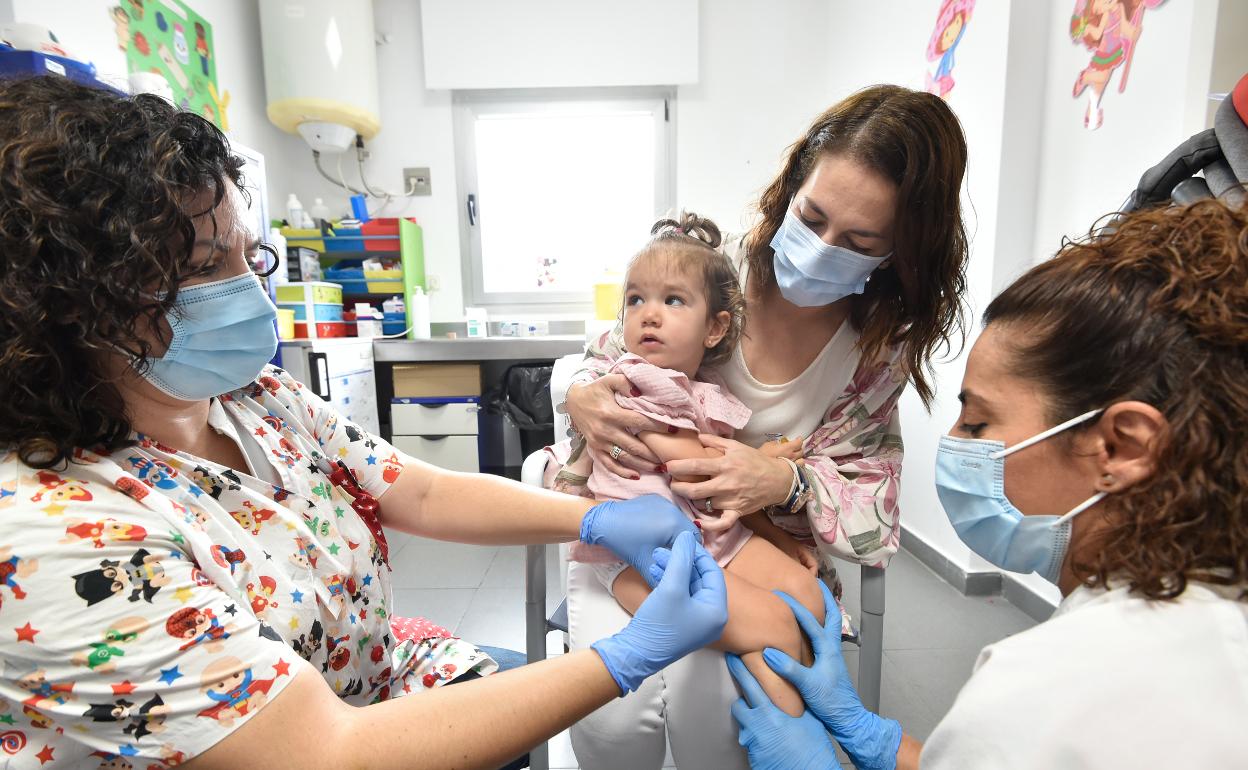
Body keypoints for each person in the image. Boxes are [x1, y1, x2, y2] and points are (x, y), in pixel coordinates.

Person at [0, 75, 729, 770]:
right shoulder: (50, 533)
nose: (250, 291)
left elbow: (418, 491)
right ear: (70, 303)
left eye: (250, 257)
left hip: (380, 677)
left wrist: (592, 520)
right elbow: (325, 752)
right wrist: (626, 657)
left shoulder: (254, 395)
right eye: (202, 267)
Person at [729, 199, 1248, 768]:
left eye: (978, 422)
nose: (955, 443)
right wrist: (872, 736)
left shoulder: (1049, 692)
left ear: (1122, 446)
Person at [561, 84, 969, 768]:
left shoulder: (873, 353)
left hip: (751, 547)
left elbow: (871, 502)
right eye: (811, 218)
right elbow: (608, 364)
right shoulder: (708, 280)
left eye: (859, 241)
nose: (820, 248)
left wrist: (781, 480)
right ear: (791, 188)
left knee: (725, 709)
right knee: (613, 718)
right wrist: (580, 393)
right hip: (643, 521)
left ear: (897, 255)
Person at [548, 212, 826, 717]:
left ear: (716, 327)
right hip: (643, 555)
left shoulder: (706, 395)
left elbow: (729, 492)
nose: (648, 314)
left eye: (672, 300)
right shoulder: (626, 378)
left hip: (713, 537)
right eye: (636, 299)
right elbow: (689, 464)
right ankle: (790, 738)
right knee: (773, 627)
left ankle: (793, 717)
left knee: (809, 595)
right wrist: (760, 459)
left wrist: (780, 540)